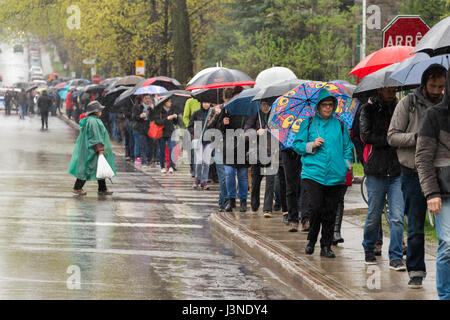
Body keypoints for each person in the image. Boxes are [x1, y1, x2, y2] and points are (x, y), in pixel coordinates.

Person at [388, 64, 447, 288]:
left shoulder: (445, 104)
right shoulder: (408, 104)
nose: (436, 90)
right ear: (424, 84)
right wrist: (418, 138)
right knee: (415, 225)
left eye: (441, 86)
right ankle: (416, 270)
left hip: (441, 173)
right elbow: (392, 137)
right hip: (412, 172)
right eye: (433, 86)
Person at [293, 88, 354, 258]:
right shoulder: (309, 123)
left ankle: (326, 246)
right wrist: (311, 144)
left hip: (335, 176)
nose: (328, 108)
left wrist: (346, 165)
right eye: (324, 105)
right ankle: (311, 239)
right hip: (313, 174)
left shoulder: (340, 124)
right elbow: (297, 145)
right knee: (316, 207)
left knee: (330, 212)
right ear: (318, 107)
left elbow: (348, 147)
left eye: (330, 105)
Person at [360, 87, 405, 270]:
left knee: (397, 217)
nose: (391, 91)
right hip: (375, 170)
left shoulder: (400, 107)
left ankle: (395, 256)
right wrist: (390, 139)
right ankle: (369, 249)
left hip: (397, 169)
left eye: (394, 88)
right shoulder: (368, 109)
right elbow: (365, 135)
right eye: (388, 88)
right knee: (374, 214)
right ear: (380, 89)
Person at [416, 68, 450, 300]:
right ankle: (445, 295)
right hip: (443, 191)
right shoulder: (435, 115)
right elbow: (423, 157)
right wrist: (431, 193)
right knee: (448, 244)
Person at [68, 101, 115, 196]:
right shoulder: (93, 121)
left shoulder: (92, 120)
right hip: (92, 150)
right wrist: (99, 148)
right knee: (87, 168)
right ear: (95, 111)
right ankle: (77, 187)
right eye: (99, 110)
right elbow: (95, 136)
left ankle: (102, 188)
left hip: (92, 148)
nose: (101, 111)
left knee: (99, 167)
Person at [214, 87, 249, 212]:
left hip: (243, 146)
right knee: (229, 174)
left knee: (243, 175)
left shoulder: (248, 109)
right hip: (229, 146)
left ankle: (244, 201)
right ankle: (231, 200)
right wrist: (223, 123)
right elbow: (217, 128)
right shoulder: (227, 109)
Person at [244, 99, 276, 218]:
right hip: (256, 153)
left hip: (272, 153)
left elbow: (280, 132)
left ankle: (267, 209)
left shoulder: (276, 116)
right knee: (256, 180)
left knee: (270, 181)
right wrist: (255, 132)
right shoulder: (255, 116)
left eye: (268, 104)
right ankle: (254, 206)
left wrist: (267, 131)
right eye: (263, 104)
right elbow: (245, 133)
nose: (265, 107)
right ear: (260, 105)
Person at [152, 97, 182, 173]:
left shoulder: (172, 110)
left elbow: (175, 122)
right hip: (161, 133)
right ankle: (162, 166)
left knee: (171, 148)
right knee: (161, 150)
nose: (170, 103)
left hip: (170, 132)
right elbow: (158, 122)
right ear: (165, 103)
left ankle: (171, 166)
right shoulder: (159, 111)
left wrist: (176, 117)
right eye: (169, 102)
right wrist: (167, 118)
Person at [188, 102, 212, 190]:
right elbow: (189, 126)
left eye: (207, 103)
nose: (206, 104)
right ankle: (197, 179)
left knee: (206, 162)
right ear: (201, 103)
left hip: (209, 140)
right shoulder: (197, 113)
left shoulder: (212, 113)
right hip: (199, 140)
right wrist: (195, 133)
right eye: (204, 103)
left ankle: (204, 181)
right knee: (199, 160)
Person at [131, 94, 152, 167]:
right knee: (142, 145)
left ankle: (149, 159)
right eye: (146, 98)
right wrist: (140, 116)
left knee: (150, 145)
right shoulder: (138, 107)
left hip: (150, 127)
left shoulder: (152, 107)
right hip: (141, 127)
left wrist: (152, 110)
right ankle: (144, 161)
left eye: (149, 98)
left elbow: (155, 117)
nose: (148, 100)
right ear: (143, 99)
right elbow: (133, 117)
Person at [183, 97, 201, 177]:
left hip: (203, 128)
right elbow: (185, 116)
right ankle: (193, 169)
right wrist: (189, 126)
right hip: (193, 128)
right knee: (193, 150)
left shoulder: (204, 101)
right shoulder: (190, 101)